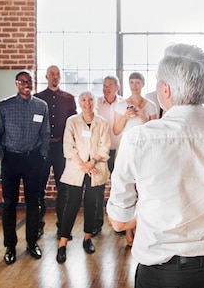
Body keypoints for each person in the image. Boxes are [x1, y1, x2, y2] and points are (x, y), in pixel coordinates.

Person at [107, 43, 204, 288]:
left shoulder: (138, 140)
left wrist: (156, 215)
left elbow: (119, 222)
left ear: (165, 89)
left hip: (159, 275)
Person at [0, 70, 50, 265]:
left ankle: (32, 243)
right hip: (11, 159)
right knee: (9, 203)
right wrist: (1, 155)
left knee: (33, 202)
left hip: (33, 160)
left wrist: (42, 155)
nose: (26, 84)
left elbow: (45, 133)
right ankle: (10, 246)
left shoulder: (41, 106)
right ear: (16, 84)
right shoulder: (4, 106)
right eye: (22, 81)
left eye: (29, 81)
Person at [56, 91, 110, 263]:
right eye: (83, 99)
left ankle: (87, 238)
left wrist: (91, 163)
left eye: (90, 99)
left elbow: (105, 146)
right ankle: (63, 242)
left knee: (91, 204)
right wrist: (84, 165)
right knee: (71, 204)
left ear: (95, 102)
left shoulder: (102, 122)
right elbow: (68, 146)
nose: (87, 103)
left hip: (95, 168)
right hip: (77, 168)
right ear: (79, 103)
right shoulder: (72, 121)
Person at [113, 72, 158, 246]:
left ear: (143, 84)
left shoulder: (152, 105)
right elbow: (116, 130)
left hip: (147, 151)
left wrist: (142, 117)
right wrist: (125, 117)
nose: (134, 85)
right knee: (127, 187)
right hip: (126, 150)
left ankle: (144, 228)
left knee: (145, 188)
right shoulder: (120, 105)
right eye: (131, 82)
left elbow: (155, 130)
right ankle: (128, 231)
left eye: (137, 82)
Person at [34, 65, 77, 239]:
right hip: (42, 148)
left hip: (61, 148)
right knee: (39, 189)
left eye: (57, 74)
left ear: (60, 77)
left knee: (63, 189)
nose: (54, 76)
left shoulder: (68, 98)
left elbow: (74, 123)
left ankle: (62, 227)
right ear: (46, 76)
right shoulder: (37, 98)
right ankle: (38, 225)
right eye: (51, 73)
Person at [94, 75, 124, 235]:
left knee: (120, 187)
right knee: (98, 187)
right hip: (101, 152)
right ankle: (96, 224)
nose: (106, 89)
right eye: (104, 85)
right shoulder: (96, 103)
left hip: (120, 151)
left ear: (117, 88)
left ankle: (119, 224)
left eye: (110, 85)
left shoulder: (124, 103)